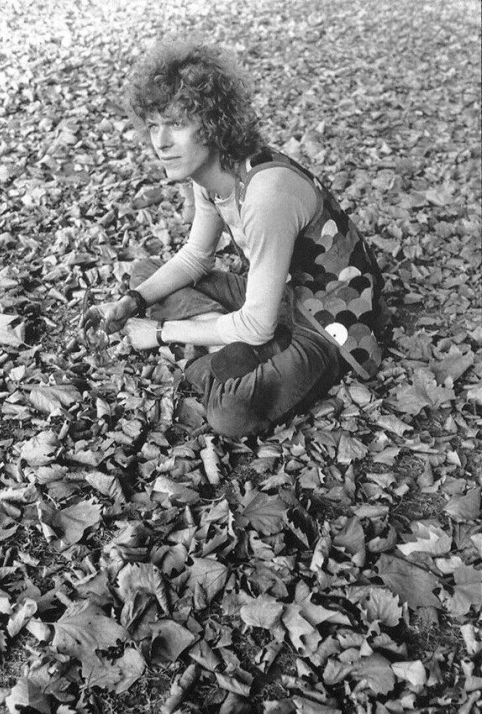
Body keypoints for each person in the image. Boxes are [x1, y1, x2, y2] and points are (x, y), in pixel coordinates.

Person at [82, 41, 386, 439]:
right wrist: (133, 302)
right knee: (145, 274)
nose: (161, 142)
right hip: (282, 297)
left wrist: (160, 334)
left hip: (331, 323)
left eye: (176, 124)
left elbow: (257, 324)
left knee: (230, 414)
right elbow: (195, 257)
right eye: (154, 125)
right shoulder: (213, 174)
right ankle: (224, 343)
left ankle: (236, 351)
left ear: (212, 123)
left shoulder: (266, 194)